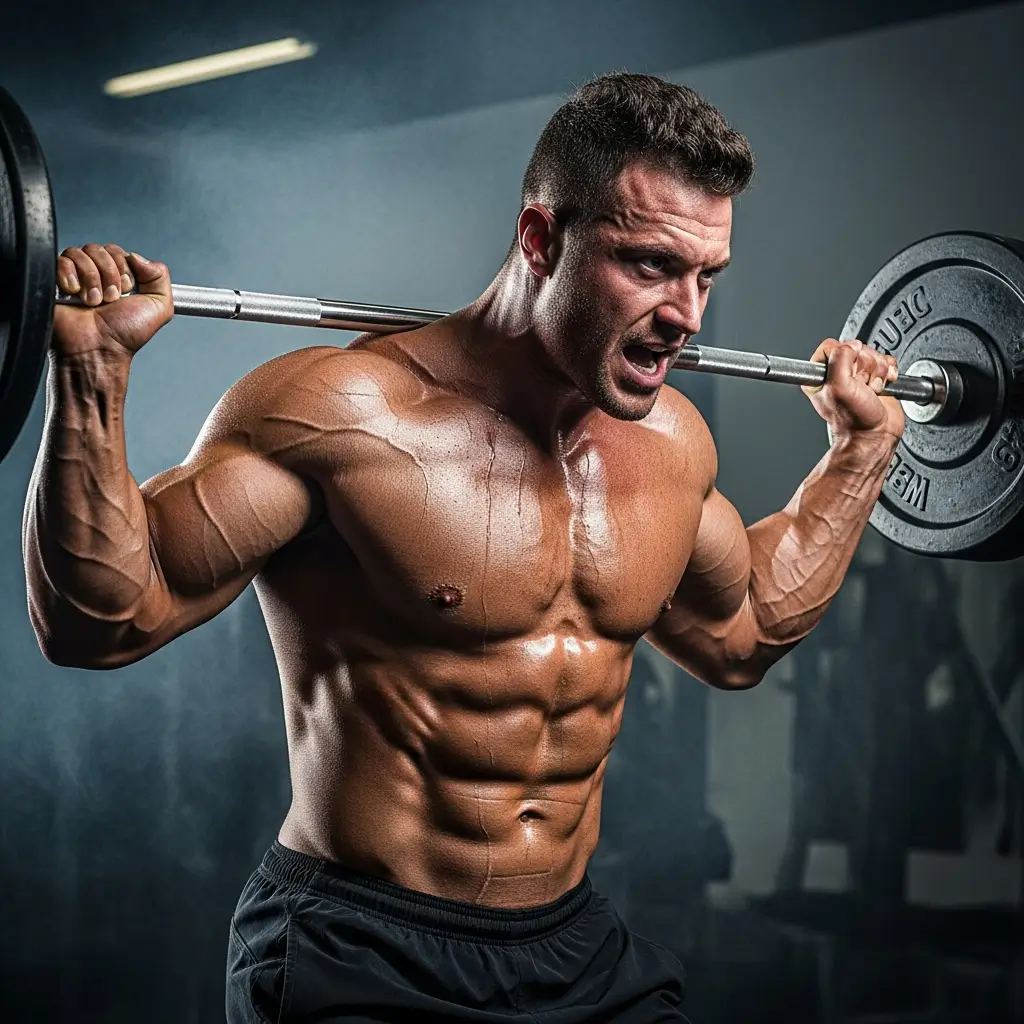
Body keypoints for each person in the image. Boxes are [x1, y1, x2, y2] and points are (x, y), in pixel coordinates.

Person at [23, 73, 901, 1023]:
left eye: (705, 276)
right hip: (360, 950)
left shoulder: (670, 446)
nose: (687, 313)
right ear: (540, 238)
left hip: (572, 951)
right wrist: (91, 377)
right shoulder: (343, 414)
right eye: (649, 266)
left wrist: (860, 456)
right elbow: (102, 621)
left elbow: (742, 634)